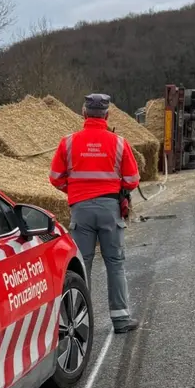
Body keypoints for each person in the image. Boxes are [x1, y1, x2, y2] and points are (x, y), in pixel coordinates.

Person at [48, 93, 141, 333]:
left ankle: (78, 323)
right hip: (110, 210)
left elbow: (55, 178)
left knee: (81, 265)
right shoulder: (119, 142)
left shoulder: (67, 142)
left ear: (84, 113)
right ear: (107, 115)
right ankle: (120, 320)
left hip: (81, 210)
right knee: (115, 263)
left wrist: (76, 189)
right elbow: (132, 180)